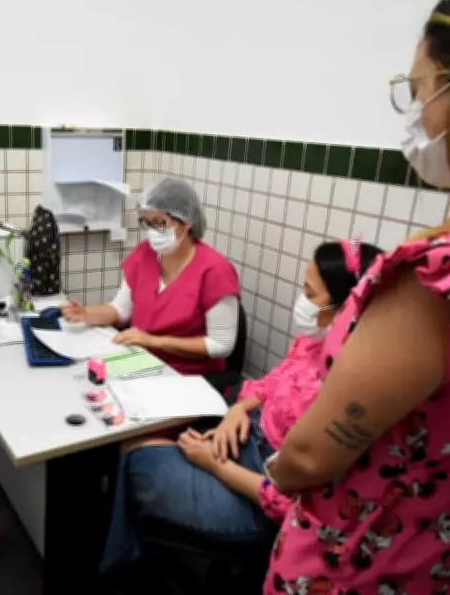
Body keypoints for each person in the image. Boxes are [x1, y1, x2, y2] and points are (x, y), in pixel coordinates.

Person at [261, 0, 450, 592]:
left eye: (418, 89)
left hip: (358, 560)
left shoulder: (442, 279)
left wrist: (266, 472)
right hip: (448, 551)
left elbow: (309, 457)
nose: (418, 115)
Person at [100, 240, 382, 571]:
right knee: (138, 443)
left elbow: (291, 504)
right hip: (242, 445)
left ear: (348, 305)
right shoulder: (311, 343)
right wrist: (239, 410)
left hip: (257, 497)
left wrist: (215, 466)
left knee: (138, 456)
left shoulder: (353, 392)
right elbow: (268, 386)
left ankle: (124, 561)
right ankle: (128, 554)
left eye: (311, 294)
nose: (302, 302)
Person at [62, 177, 240, 376]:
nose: (153, 232)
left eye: (160, 223)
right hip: (141, 363)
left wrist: (154, 341)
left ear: (187, 222)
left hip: (188, 378)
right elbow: (120, 310)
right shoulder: (144, 254)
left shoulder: (215, 270)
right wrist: (87, 314)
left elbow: (221, 345)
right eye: (147, 223)